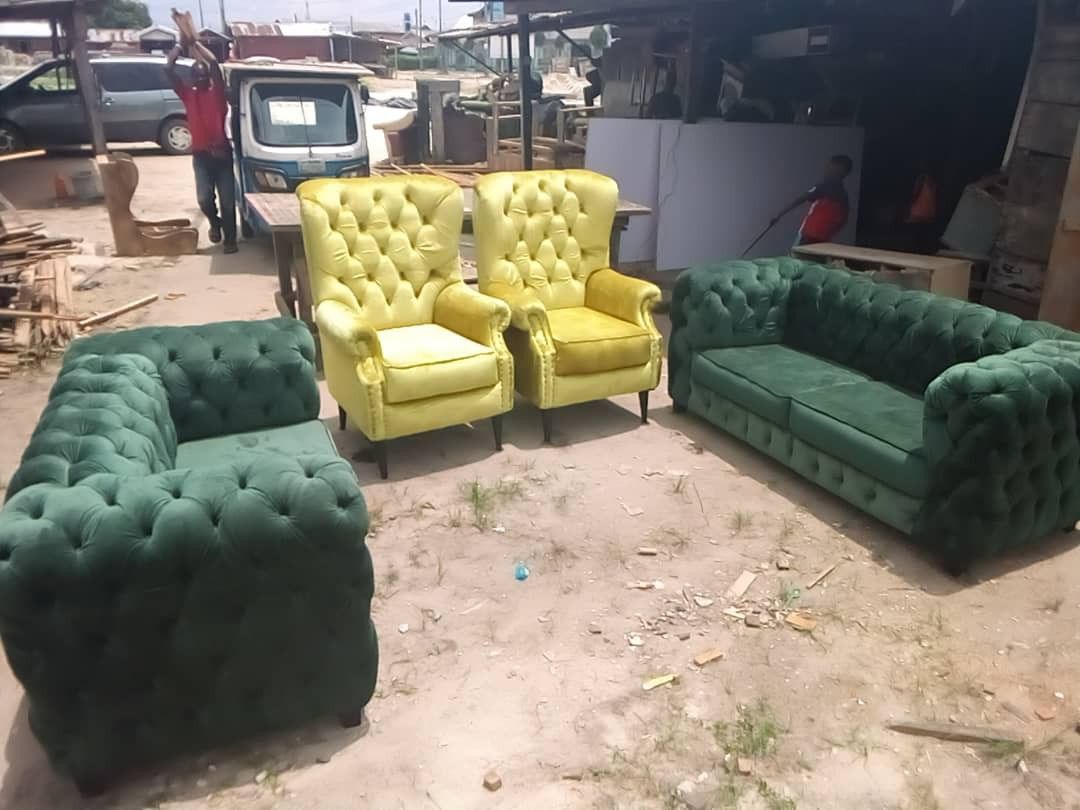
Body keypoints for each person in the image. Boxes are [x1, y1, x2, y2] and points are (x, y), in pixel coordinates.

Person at [165, 38, 237, 254]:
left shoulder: (217, 94)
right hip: (201, 157)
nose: (203, 79)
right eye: (198, 77)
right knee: (204, 199)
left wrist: (195, 42)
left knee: (227, 201)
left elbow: (214, 63)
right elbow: (168, 67)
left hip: (222, 155)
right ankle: (215, 224)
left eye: (205, 76)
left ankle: (230, 240)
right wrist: (180, 44)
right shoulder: (189, 95)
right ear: (193, 79)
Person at [771, 154, 854, 246]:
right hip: (823, 239)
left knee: (796, 258)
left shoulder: (827, 185)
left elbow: (800, 199)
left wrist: (778, 215)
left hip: (809, 234)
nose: (826, 169)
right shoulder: (843, 196)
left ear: (839, 169)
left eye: (829, 166)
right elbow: (842, 221)